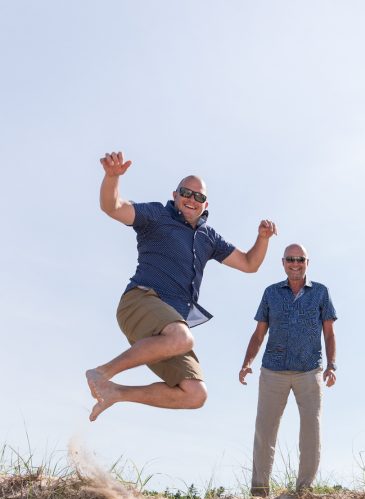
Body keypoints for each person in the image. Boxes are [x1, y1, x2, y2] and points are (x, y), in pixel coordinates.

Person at [86, 151, 277, 421]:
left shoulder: (208, 237)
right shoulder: (157, 215)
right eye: (187, 193)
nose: (192, 200)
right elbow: (113, 207)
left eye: (198, 197)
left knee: (195, 394)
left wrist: (263, 239)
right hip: (140, 301)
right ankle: (102, 372)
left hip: (167, 331)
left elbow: (249, 263)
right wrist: (111, 178)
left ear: (205, 204)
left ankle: (115, 392)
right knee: (182, 337)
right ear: (175, 194)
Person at [239, 244, 337, 496]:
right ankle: (259, 491)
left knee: (311, 431)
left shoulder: (321, 293)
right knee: (265, 431)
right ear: (283, 262)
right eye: (290, 259)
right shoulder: (271, 293)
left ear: (307, 262)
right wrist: (247, 362)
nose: (295, 263)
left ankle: (305, 492)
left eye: (300, 259)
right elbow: (259, 333)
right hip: (273, 370)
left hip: (309, 370)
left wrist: (332, 365)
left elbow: (329, 333)